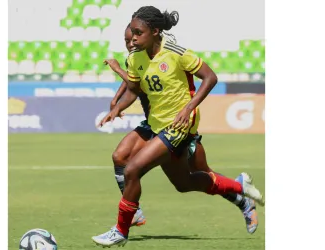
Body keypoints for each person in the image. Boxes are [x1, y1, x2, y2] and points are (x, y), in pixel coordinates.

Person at [93, 6, 264, 247]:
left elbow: (210, 77)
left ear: (155, 31)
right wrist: (117, 108)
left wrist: (188, 108)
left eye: (137, 32)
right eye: (131, 32)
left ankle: (121, 230)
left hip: (179, 123)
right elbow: (133, 89)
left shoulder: (176, 52)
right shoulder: (135, 57)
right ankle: (239, 187)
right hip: (155, 123)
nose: (132, 38)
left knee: (133, 169)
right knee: (180, 182)